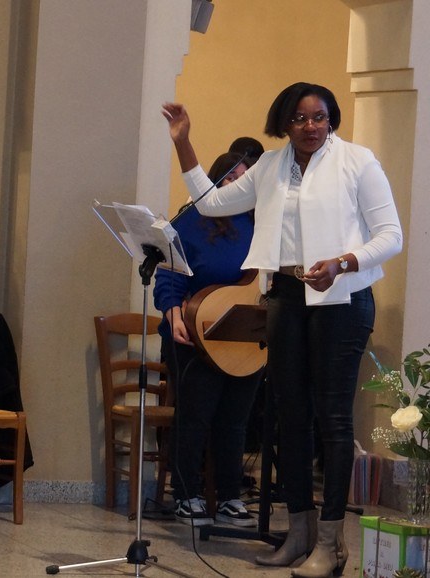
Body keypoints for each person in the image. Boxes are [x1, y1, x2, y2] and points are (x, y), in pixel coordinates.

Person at [163, 82, 403, 577]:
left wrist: (343, 262)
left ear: (331, 120)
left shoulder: (358, 162)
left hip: (342, 296)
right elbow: (209, 203)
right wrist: (183, 141)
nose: (311, 126)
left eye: (320, 117)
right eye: (299, 118)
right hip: (287, 296)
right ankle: (299, 533)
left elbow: (391, 236)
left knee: (332, 419)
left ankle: (331, 544)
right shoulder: (270, 167)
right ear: (284, 123)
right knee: (289, 418)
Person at [153, 151, 260, 528]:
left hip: (245, 337)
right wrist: (173, 314)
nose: (236, 185)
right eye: (230, 178)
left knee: (235, 420)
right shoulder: (191, 221)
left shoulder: (262, 223)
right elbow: (168, 275)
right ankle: (186, 494)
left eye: (244, 180)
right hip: (194, 334)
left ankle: (230, 496)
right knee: (195, 415)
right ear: (214, 181)